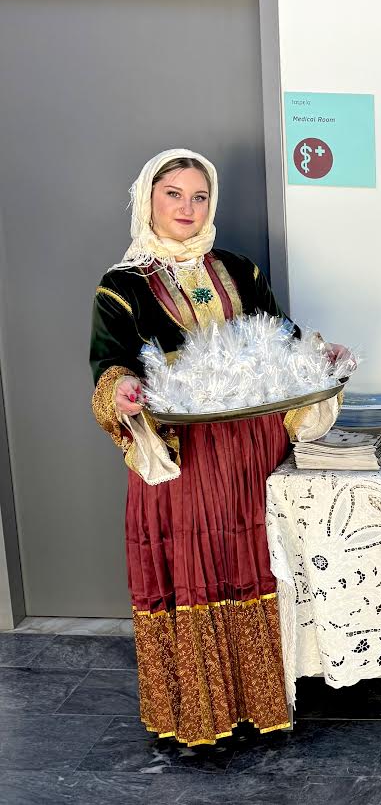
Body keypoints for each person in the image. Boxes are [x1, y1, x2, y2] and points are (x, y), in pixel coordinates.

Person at [89, 148, 349, 745]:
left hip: (251, 450)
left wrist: (319, 356)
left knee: (254, 562)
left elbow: (281, 340)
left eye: (199, 196)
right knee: (195, 567)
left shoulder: (239, 270)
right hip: (186, 455)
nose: (187, 207)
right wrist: (121, 389)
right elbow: (110, 363)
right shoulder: (121, 287)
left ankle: (262, 702)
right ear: (148, 200)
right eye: (173, 194)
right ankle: (200, 713)